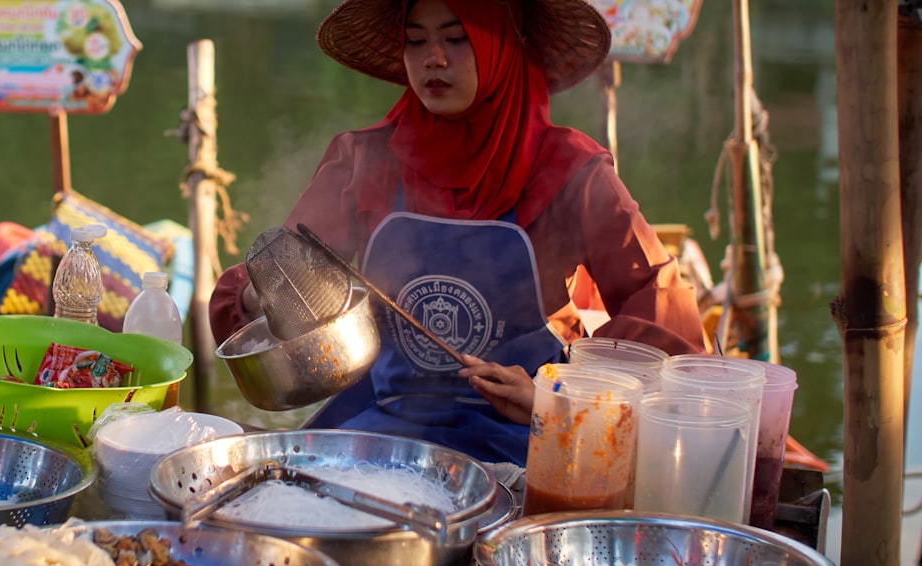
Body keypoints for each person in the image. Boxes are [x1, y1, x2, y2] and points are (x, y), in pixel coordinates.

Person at [209, 0, 706, 465]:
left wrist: (560, 395)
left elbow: (662, 309)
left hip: (528, 434)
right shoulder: (365, 163)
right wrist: (265, 297)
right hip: (387, 422)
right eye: (417, 41)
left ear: (502, 45)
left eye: (457, 38)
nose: (434, 60)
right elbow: (279, 273)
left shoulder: (572, 172)